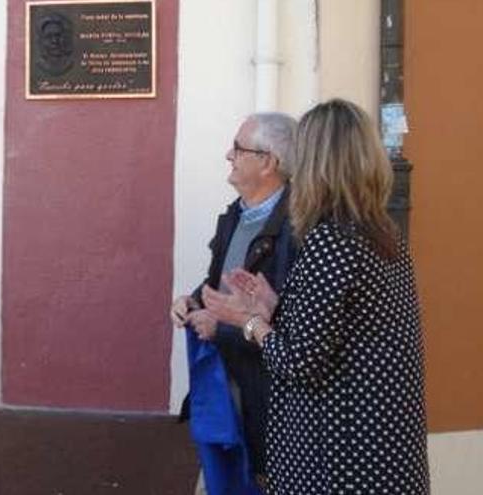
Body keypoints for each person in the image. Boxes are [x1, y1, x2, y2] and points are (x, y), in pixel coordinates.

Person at [203, 99, 429, 494]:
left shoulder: (332, 239)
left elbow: (299, 363)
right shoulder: (383, 232)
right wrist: (277, 307)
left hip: (338, 457)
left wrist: (250, 322)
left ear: (315, 163)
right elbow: (356, 330)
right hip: (385, 450)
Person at [171, 112, 298, 493]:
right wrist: (192, 302)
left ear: (268, 163)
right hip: (225, 391)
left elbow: (288, 319)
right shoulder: (234, 216)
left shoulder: (298, 227)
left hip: (268, 403)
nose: (229, 155)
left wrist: (220, 326)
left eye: (239, 149)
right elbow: (220, 283)